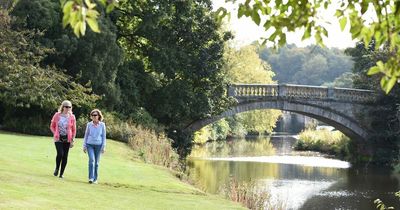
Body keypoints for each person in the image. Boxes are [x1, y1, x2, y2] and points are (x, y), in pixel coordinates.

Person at [50, 100, 76, 178]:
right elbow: (52, 126)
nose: (68, 108)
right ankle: (57, 168)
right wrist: (55, 133)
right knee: (60, 153)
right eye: (66, 107)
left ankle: (61, 174)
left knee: (65, 156)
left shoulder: (72, 117)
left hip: (67, 138)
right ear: (63, 107)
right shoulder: (57, 115)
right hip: (58, 137)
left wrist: (72, 139)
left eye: (69, 107)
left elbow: (74, 129)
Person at [83, 109, 106, 184]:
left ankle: (95, 179)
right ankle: (91, 178)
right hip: (90, 145)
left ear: (99, 116)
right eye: (92, 115)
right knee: (92, 160)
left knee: (96, 163)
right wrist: (84, 146)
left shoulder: (102, 125)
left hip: (99, 146)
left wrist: (103, 146)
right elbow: (86, 135)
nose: (93, 116)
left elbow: (103, 136)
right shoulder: (89, 124)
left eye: (95, 115)